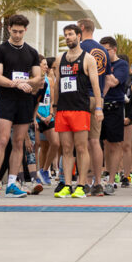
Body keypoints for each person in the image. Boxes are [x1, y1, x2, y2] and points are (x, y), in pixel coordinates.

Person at [0, 14, 41, 198]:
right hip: (6, 100)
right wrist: (16, 83)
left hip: (25, 102)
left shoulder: (32, 52)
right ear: (9, 29)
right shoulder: (1, 50)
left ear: (25, 30)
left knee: (19, 142)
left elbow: (38, 78)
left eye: (20, 31)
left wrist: (30, 83)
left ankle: (12, 183)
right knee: (2, 140)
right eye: (14, 31)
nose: (17, 35)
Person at [52, 24, 103, 199]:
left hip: (80, 108)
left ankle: (81, 184)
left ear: (79, 36)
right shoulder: (60, 58)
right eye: (65, 35)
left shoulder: (88, 58)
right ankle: (67, 184)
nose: (68, 37)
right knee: (66, 148)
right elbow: (57, 84)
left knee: (81, 147)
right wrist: (54, 106)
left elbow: (96, 86)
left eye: (71, 34)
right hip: (63, 109)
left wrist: (98, 108)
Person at [78, 18, 112, 195]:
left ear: (82, 28)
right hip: (97, 99)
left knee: (81, 143)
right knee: (95, 141)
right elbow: (107, 79)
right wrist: (101, 97)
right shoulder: (103, 51)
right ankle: (98, 182)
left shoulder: (80, 48)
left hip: (82, 99)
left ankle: (83, 181)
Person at [100, 36, 131, 194]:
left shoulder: (122, 64)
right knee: (101, 143)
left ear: (114, 49)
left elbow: (113, 82)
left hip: (115, 107)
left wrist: (104, 71)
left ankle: (112, 179)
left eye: (107, 50)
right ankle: (100, 177)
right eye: (101, 50)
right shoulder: (98, 63)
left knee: (115, 144)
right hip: (99, 107)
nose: (104, 53)